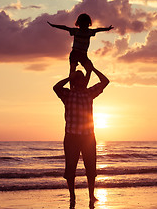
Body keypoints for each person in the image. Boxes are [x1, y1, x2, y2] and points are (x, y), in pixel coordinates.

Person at [53, 62, 109, 208]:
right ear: (74, 81)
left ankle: (91, 196)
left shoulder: (89, 93)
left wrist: (93, 69)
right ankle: (72, 197)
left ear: (84, 80)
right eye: (77, 78)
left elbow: (105, 81)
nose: (80, 81)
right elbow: (56, 87)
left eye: (81, 78)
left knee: (91, 168)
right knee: (70, 168)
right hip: (72, 136)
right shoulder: (67, 94)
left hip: (88, 136)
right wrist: (69, 77)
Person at [48, 13, 113, 74]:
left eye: (86, 24)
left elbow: (98, 29)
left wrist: (107, 29)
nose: (85, 26)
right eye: (83, 24)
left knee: (89, 69)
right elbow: (65, 27)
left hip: (83, 55)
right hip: (75, 53)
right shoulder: (76, 31)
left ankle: (84, 84)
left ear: (88, 24)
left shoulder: (89, 31)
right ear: (79, 24)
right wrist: (54, 26)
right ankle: (72, 85)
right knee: (72, 70)